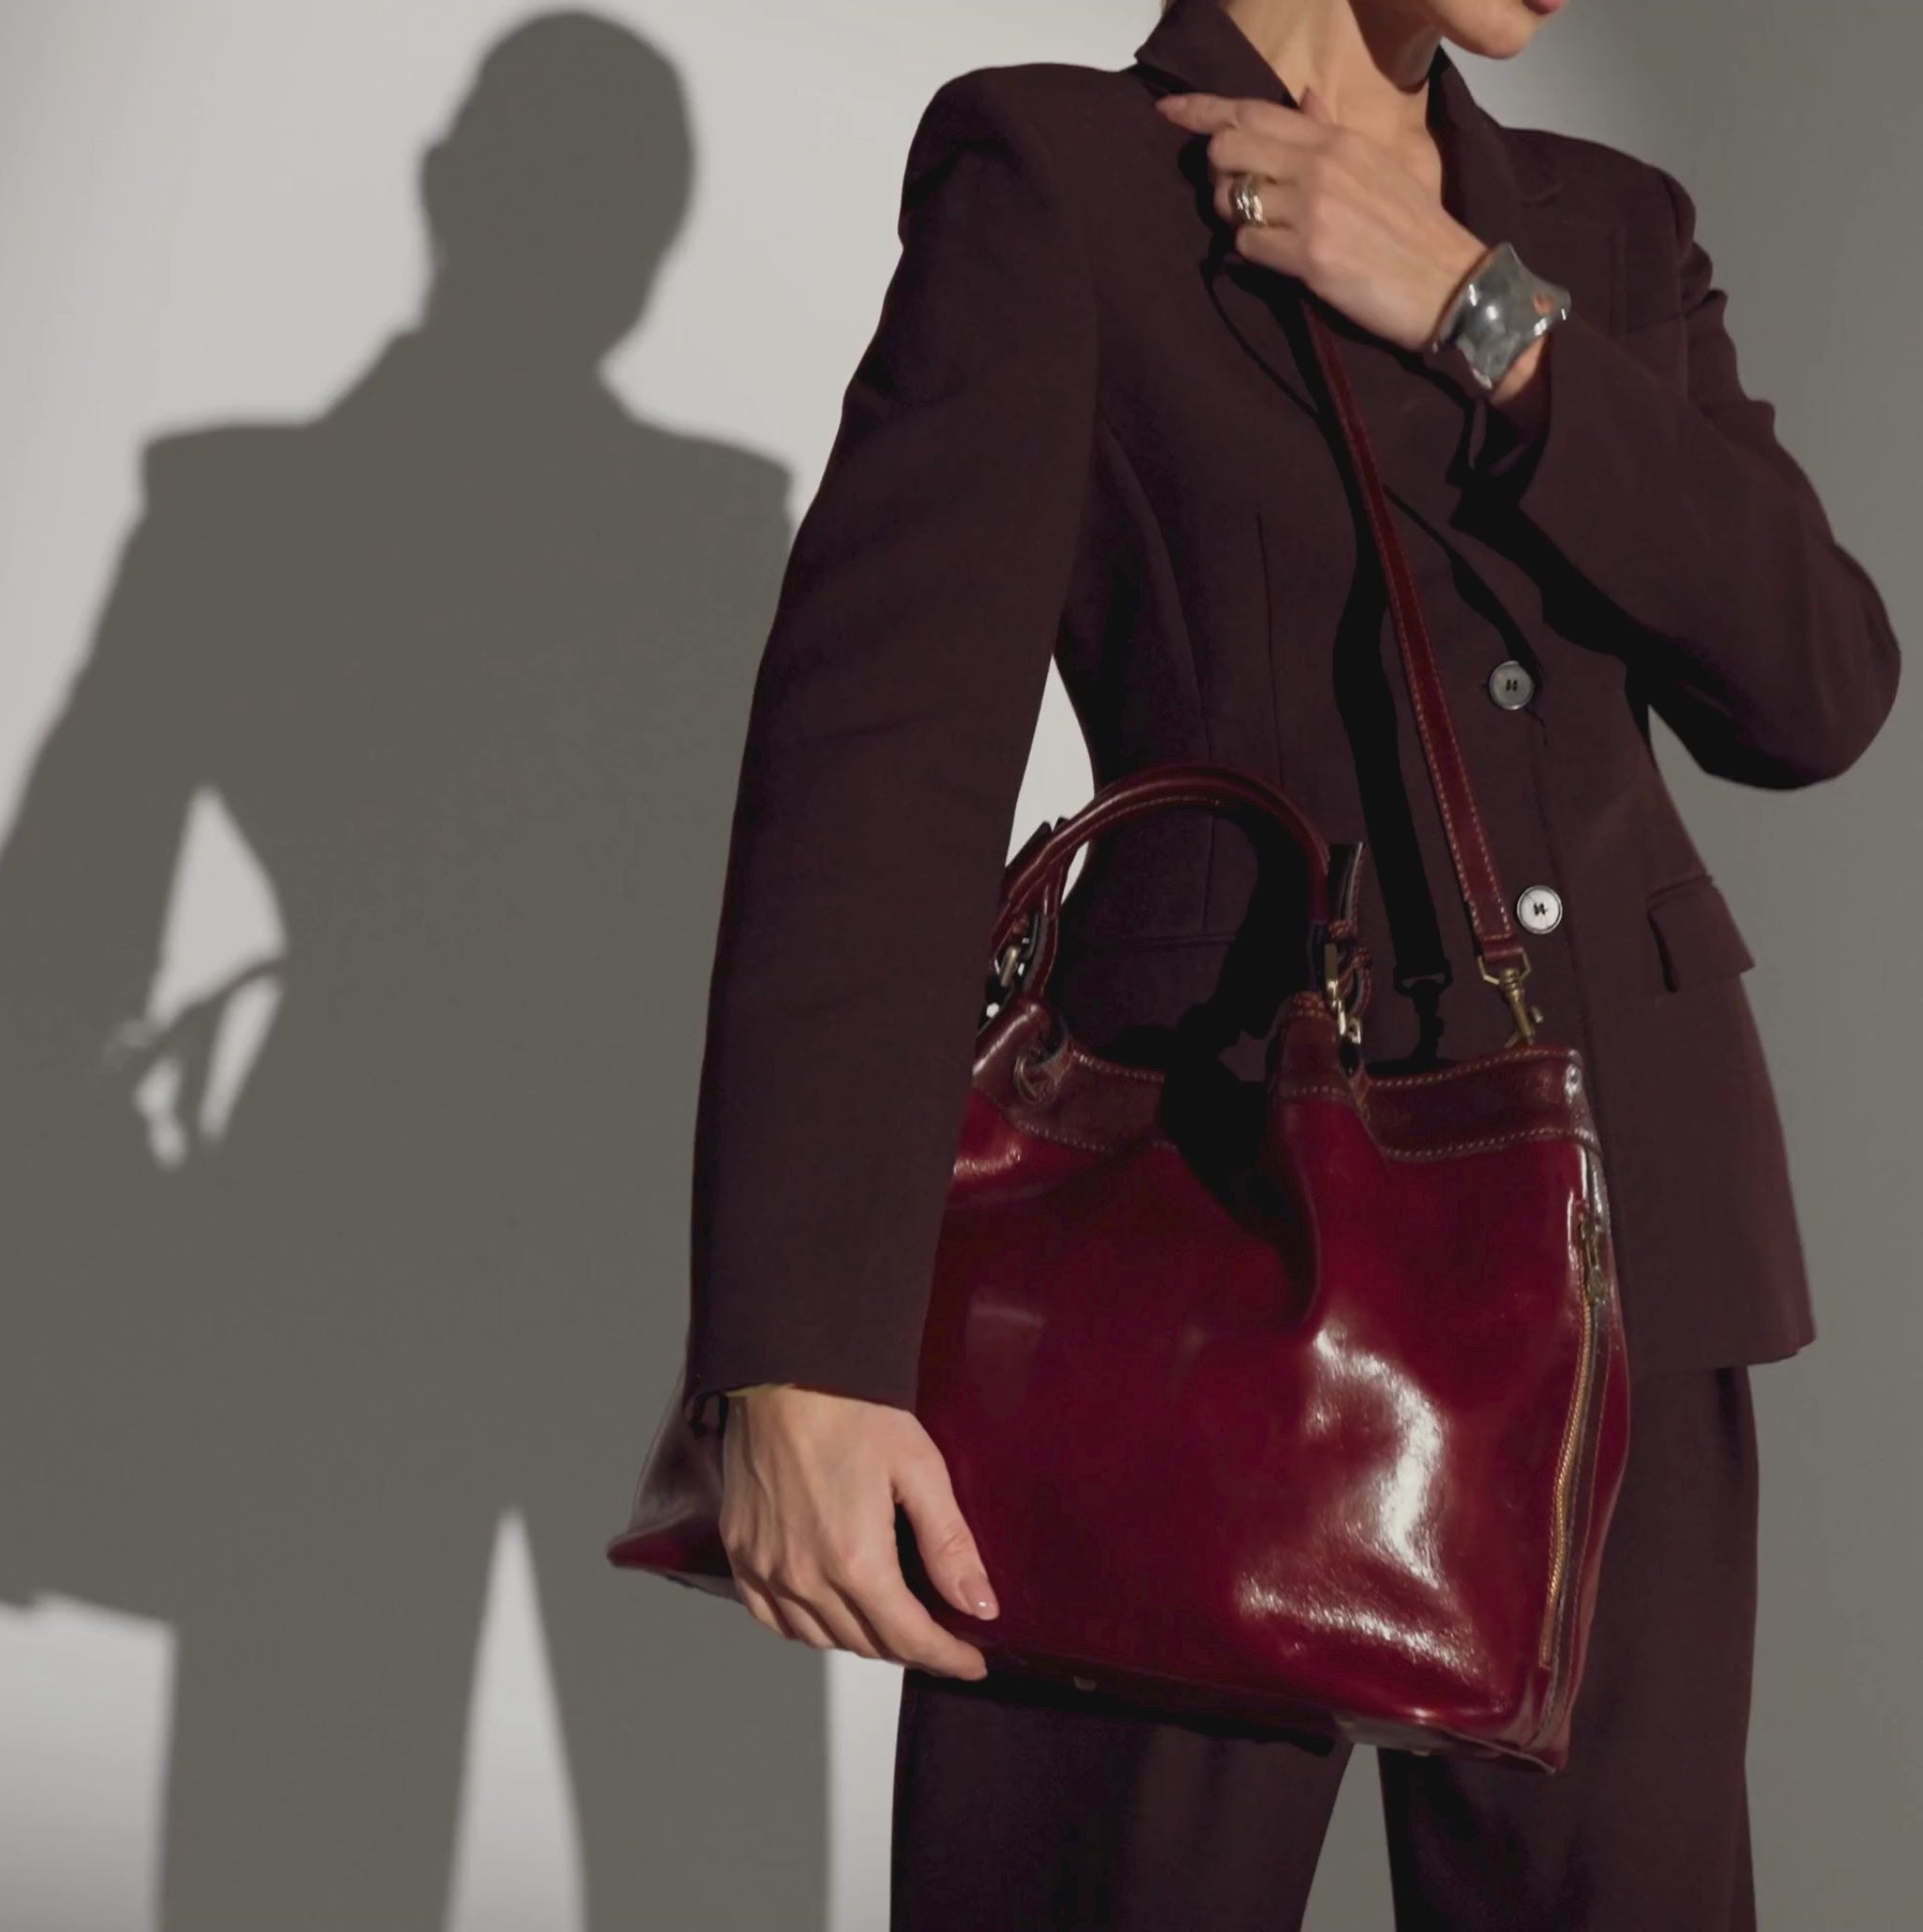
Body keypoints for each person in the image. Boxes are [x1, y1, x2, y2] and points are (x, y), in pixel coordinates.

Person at [682, 0, 1900, 1924]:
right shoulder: (1063, 183)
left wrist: (1484, 319)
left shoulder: (1606, 234)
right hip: (1194, 1249)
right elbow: (879, 774)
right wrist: (796, 1351)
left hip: (1621, 1268)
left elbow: (1813, 687)